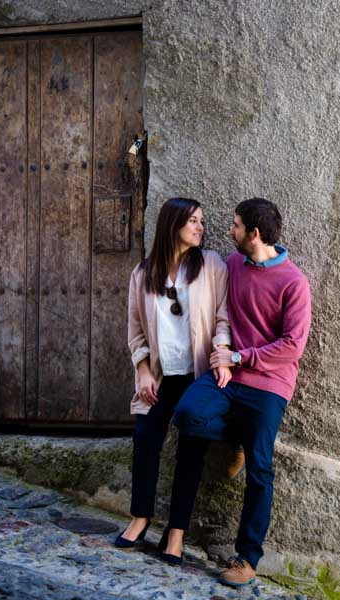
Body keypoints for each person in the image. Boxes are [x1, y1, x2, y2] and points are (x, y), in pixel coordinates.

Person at [171, 197, 312, 587]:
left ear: (253, 233)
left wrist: (239, 355)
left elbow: (291, 347)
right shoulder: (233, 265)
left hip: (269, 385)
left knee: (261, 469)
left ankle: (247, 559)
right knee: (187, 415)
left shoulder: (293, 282)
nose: (227, 230)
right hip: (229, 377)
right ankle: (237, 438)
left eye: (235, 225)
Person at [114, 197, 233, 566]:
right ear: (173, 225)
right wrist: (143, 370)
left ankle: (177, 533)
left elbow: (223, 317)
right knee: (146, 440)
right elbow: (136, 332)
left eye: (202, 221)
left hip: (198, 376)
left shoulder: (211, 265)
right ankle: (140, 518)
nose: (200, 227)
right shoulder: (143, 273)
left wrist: (223, 353)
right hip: (161, 376)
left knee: (191, 453)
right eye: (193, 221)